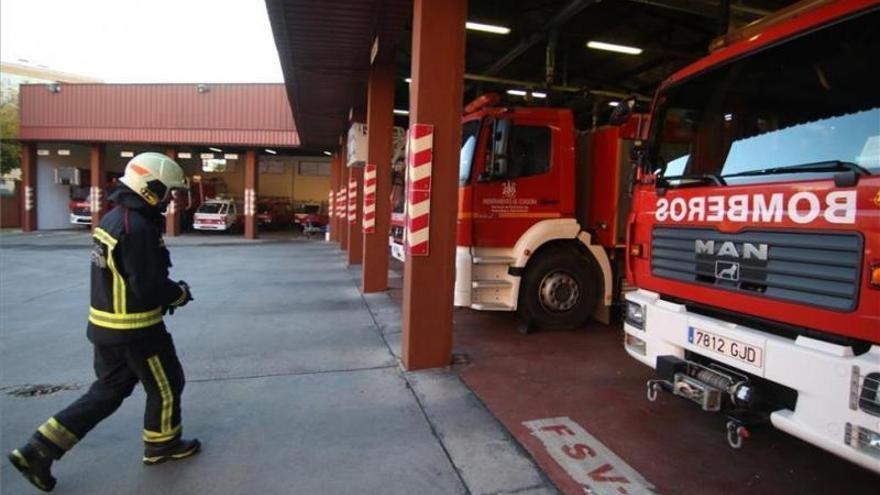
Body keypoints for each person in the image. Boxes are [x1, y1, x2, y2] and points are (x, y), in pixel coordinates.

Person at [8, 152, 200, 492]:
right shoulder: (137, 226)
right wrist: (178, 294)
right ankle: (162, 445)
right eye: (169, 191)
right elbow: (148, 284)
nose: (172, 199)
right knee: (168, 384)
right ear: (150, 188)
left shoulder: (115, 219)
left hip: (106, 328)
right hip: (136, 330)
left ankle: (38, 449)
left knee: (108, 392)